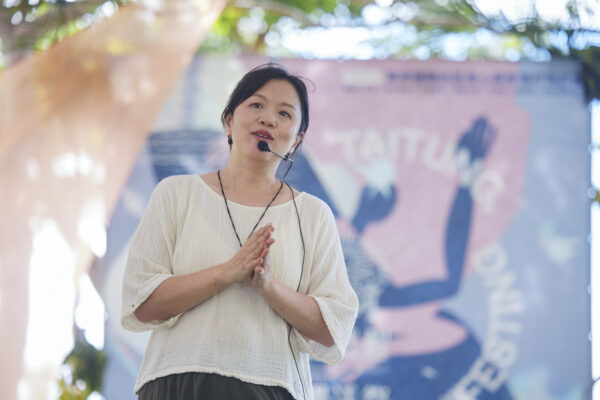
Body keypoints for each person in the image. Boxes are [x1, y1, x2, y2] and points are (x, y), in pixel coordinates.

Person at [121, 63, 359, 400]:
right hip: (176, 381)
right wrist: (227, 272)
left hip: (270, 385)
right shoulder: (176, 193)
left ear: (297, 140)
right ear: (229, 120)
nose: (268, 119)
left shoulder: (313, 214)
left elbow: (332, 329)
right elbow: (141, 302)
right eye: (256, 105)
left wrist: (268, 286)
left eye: (284, 113)